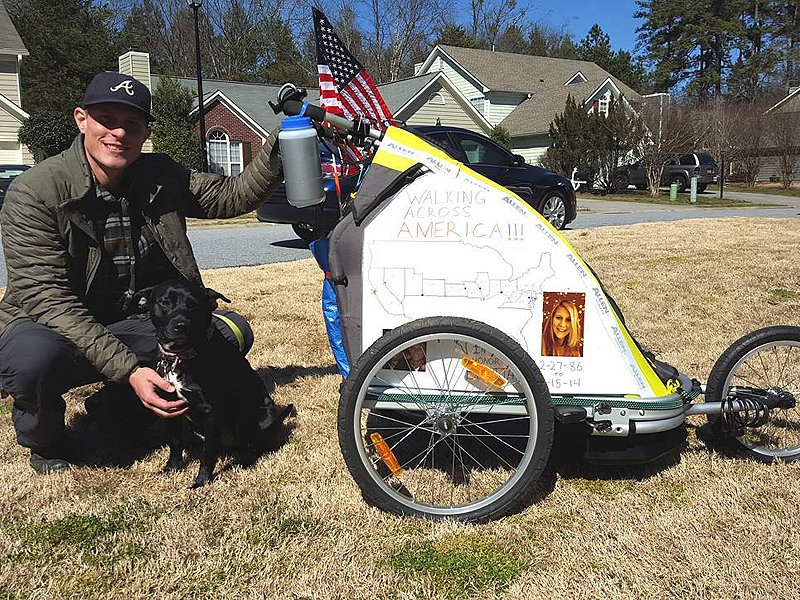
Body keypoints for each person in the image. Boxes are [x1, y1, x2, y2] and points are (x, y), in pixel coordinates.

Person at [0, 72, 282, 473]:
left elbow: (229, 195)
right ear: (81, 119)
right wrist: (130, 370)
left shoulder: (159, 175)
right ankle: (45, 440)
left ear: (146, 131)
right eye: (106, 119)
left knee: (227, 331)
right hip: (51, 324)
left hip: (128, 321)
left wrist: (279, 145)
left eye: (132, 124)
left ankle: (116, 406)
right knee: (31, 359)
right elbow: (48, 300)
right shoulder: (35, 192)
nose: (119, 133)